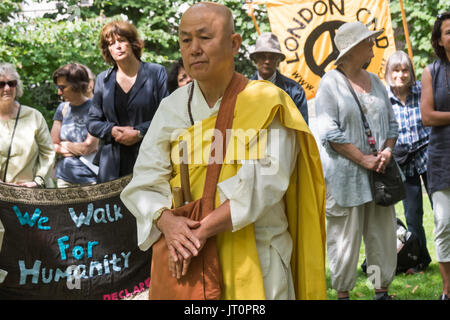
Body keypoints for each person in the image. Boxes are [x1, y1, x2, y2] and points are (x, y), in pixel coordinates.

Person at [120, 2, 327, 300]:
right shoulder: (171, 108)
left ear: (234, 44)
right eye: (186, 39)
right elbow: (144, 181)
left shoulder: (268, 103)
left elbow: (264, 184)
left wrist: (196, 233)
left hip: (257, 252)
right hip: (189, 260)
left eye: (205, 37)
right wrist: (168, 222)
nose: (194, 49)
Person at [315, 22, 399, 300]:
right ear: (351, 49)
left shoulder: (375, 81)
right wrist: (363, 159)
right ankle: (343, 295)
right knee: (345, 243)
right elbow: (329, 132)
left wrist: (386, 152)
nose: (373, 45)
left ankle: (380, 291)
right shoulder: (330, 83)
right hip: (345, 180)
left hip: (379, 177)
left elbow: (392, 125)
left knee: (380, 240)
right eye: (368, 41)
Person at [87, 20, 169, 183]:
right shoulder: (103, 80)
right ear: (108, 50)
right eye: (111, 43)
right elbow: (92, 121)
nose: (117, 46)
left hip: (150, 159)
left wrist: (140, 132)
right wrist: (112, 130)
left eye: (122, 40)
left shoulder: (156, 72)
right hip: (111, 166)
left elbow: (168, 115)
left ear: (132, 43)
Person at [385, 50, 432, 272]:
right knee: (413, 215)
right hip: (404, 163)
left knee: (442, 210)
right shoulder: (384, 99)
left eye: (405, 70)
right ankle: (420, 259)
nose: (401, 75)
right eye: (396, 70)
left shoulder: (421, 92)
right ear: (389, 73)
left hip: (429, 156)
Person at [420, 12, 450, 301]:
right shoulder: (431, 72)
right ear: (440, 40)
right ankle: (447, 289)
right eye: (449, 31)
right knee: (444, 223)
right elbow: (427, 116)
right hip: (442, 160)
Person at [0, 62, 55, 188]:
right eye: (1, 84)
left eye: (11, 83)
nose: (7, 88)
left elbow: (48, 153)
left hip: (32, 194)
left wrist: (38, 181)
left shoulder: (34, 116)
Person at [51, 63, 99, 188]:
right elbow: (52, 144)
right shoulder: (62, 108)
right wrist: (77, 149)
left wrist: (65, 144)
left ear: (76, 85)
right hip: (64, 178)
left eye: (62, 87)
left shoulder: (96, 108)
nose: (59, 92)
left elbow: (89, 146)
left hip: (91, 178)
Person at [250, 32, 309, 124]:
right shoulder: (243, 90)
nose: (267, 61)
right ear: (255, 60)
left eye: (272, 57)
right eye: (262, 56)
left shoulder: (295, 91)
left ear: (278, 61)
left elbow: (302, 130)